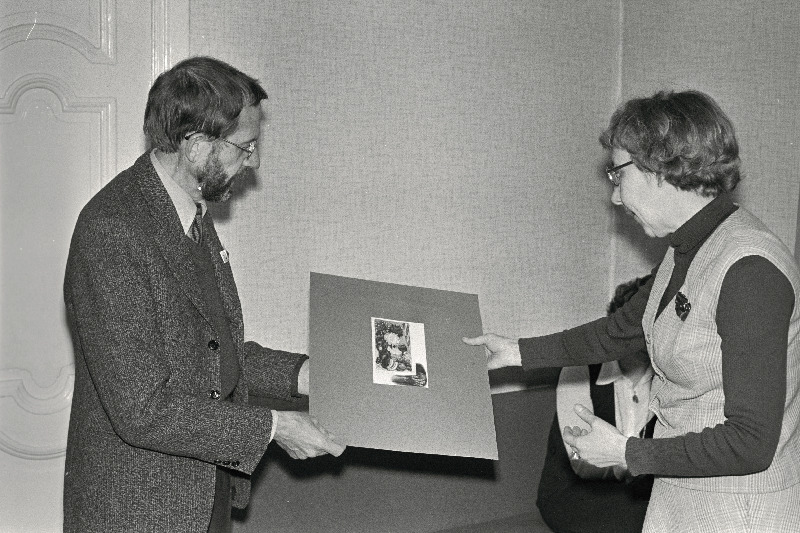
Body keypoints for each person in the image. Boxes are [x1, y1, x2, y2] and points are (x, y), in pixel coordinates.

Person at [464, 90, 800, 532]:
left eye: (617, 176)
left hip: (738, 511)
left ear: (659, 167)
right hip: (682, 494)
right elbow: (617, 332)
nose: (617, 198)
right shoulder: (688, 249)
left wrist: (627, 452)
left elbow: (752, 442)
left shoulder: (750, 271)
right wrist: (516, 351)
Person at [63, 56, 345, 533]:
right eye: (245, 146)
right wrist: (274, 427)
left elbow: (210, 355)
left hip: (201, 492)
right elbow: (143, 408)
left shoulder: (188, 212)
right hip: (140, 508)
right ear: (195, 146)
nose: (254, 160)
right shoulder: (112, 231)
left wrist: (304, 375)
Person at [536, 275, 655, 533]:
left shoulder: (668, 377)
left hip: (642, 494)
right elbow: (581, 461)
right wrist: (636, 465)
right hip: (576, 493)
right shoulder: (581, 369)